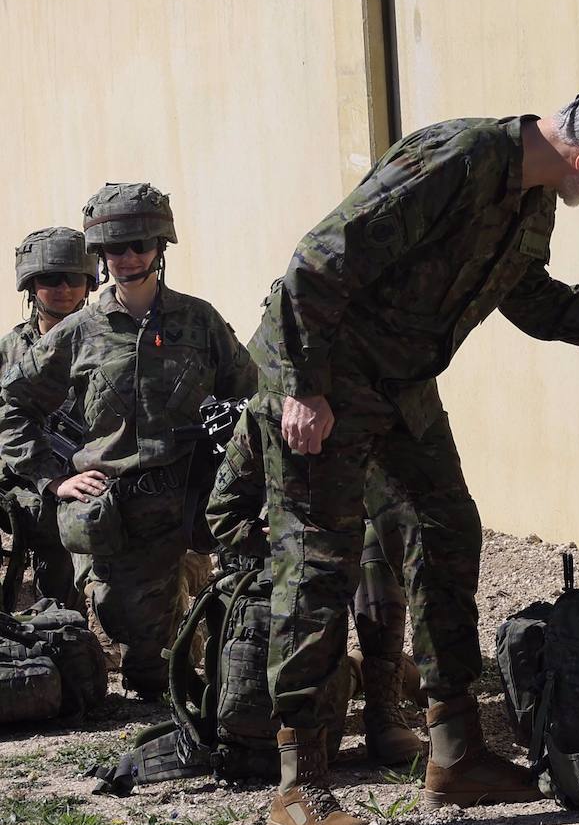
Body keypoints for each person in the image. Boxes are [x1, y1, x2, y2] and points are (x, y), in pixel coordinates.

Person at [250, 78, 579, 825]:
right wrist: (304, 389)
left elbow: (529, 296)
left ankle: (454, 750)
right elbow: (315, 264)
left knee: (448, 528)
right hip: (326, 379)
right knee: (318, 563)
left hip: (400, 384)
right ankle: (299, 786)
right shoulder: (460, 158)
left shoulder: (533, 193)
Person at [0, 183, 257, 699]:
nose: (129, 257)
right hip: (125, 515)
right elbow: (12, 408)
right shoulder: (76, 334)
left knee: (243, 627)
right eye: (115, 248)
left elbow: (250, 395)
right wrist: (55, 479)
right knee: (146, 670)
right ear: (101, 254)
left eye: (141, 245)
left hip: (199, 502)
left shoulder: (199, 320)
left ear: (161, 248)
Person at [206, 408, 423, 765]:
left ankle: (384, 706)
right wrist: (267, 537)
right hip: (289, 569)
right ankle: (353, 676)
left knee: (373, 541)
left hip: (356, 558)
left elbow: (414, 503)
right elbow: (221, 512)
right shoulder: (268, 411)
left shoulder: (374, 404)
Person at [0, 227, 98, 610]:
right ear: (30, 284)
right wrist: (47, 478)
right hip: (26, 491)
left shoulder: (109, 343)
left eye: (73, 278)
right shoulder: (9, 353)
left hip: (92, 487)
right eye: (49, 278)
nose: (63, 288)